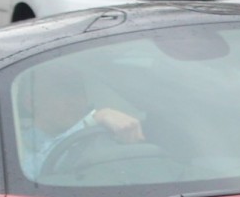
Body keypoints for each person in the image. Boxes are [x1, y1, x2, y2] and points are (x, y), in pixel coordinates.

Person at [17, 63, 145, 179]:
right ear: (31, 103)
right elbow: (31, 176)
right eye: (60, 93)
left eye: (77, 92)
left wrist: (127, 142)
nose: (73, 101)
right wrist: (90, 121)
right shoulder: (17, 146)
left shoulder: (101, 137)